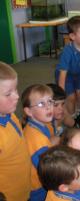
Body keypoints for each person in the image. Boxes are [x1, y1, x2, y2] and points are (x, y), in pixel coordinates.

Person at [0, 62, 31, 201]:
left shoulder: (8, 113)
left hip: (23, 186)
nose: (17, 96)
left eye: (15, 89)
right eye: (8, 94)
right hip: (10, 196)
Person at [22, 84, 57, 201]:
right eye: (41, 104)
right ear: (29, 112)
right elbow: (48, 171)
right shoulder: (36, 138)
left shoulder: (46, 123)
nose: (48, 107)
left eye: (50, 101)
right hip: (38, 187)